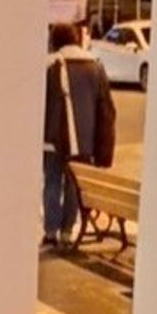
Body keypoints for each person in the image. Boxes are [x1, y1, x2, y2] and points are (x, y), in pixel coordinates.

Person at [43, 23, 117, 247]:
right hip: (85, 142)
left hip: (53, 140)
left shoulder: (51, 64)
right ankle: (67, 231)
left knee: (52, 182)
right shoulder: (95, 66)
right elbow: (106, 109)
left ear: (55, 41)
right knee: (74, 186)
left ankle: (51, 231)